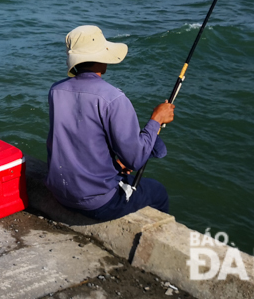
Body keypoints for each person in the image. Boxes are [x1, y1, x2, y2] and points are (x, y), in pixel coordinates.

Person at [46, 25, 174, 221]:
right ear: (100, 58)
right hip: (97, 204)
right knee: (158, 192)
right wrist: (156, 119)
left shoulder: (56, 91)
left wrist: (115, 163)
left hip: (58, 192)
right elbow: (136, 160)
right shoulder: (113, 98)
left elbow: (82, 139)